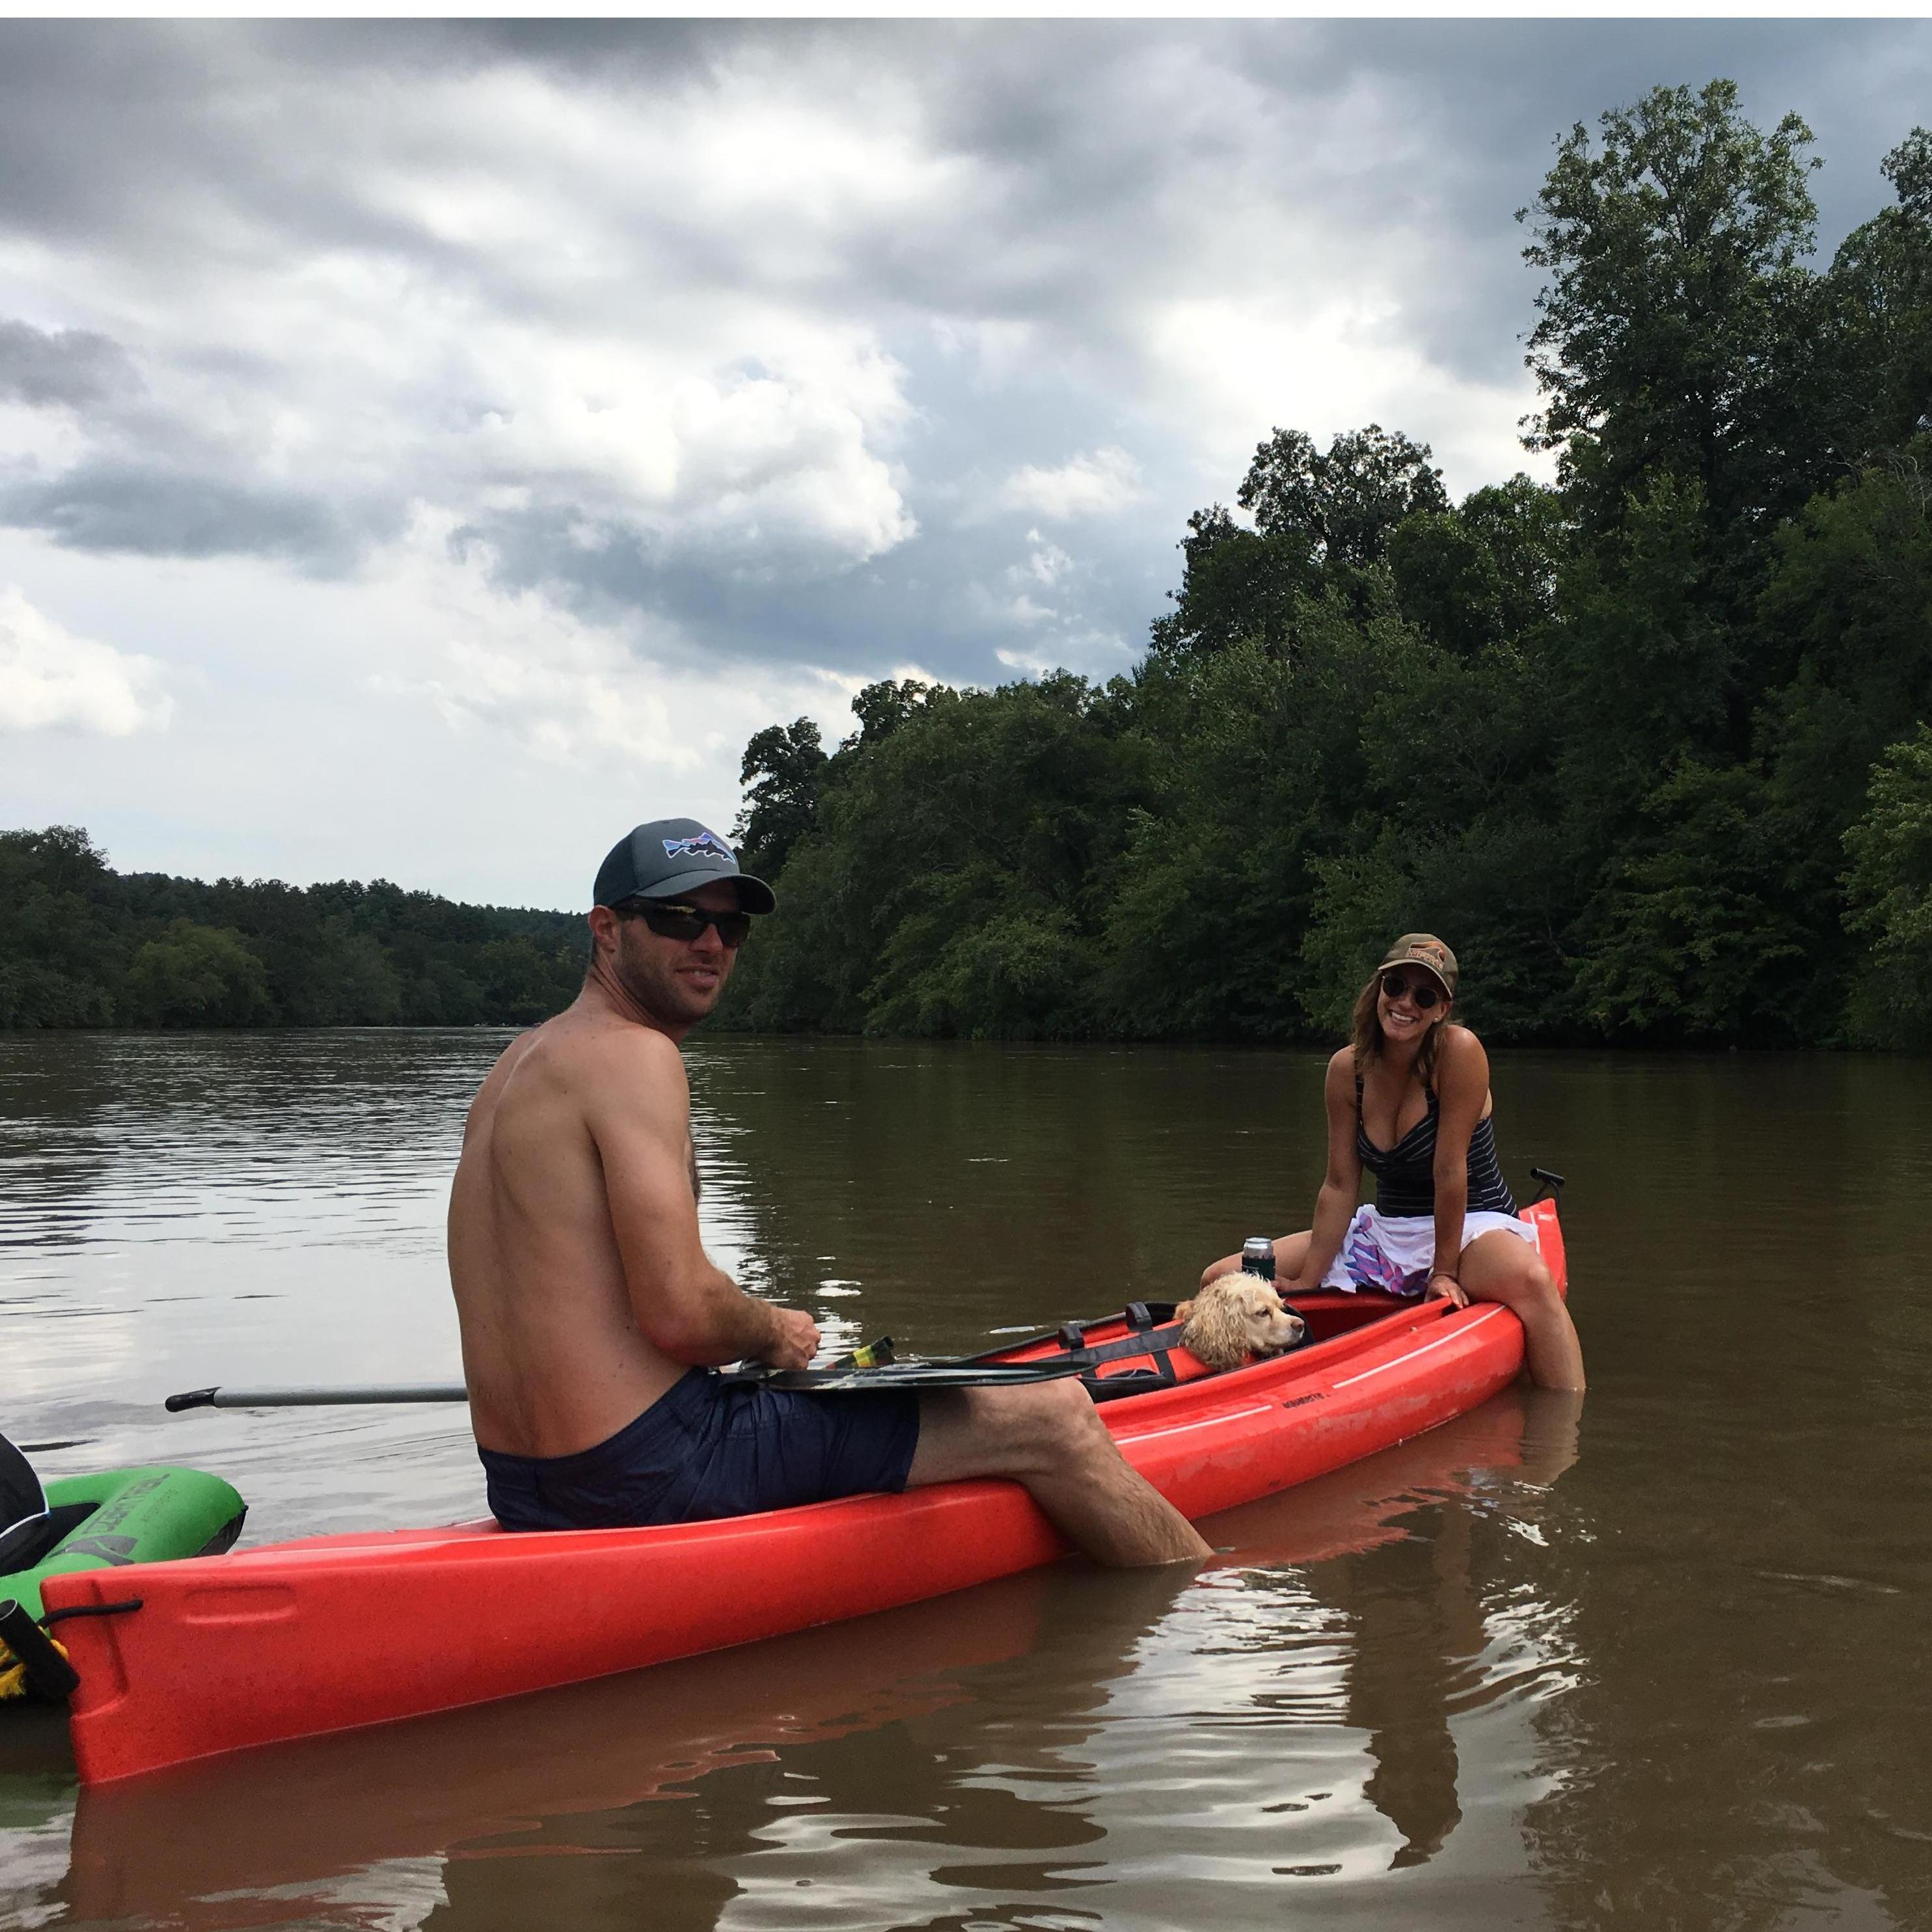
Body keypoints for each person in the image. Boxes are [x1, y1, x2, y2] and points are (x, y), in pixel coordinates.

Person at [448, 817, 1208, 1566]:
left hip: (524, 1485)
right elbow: (680, 1312)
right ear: (607, 929)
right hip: (651, 1470)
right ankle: (1214, 1612)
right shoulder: (635, 1056)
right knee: (1056, 1414)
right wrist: (774, 1330)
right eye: (679, 918)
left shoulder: (514, 1069)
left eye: (730, 924)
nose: (710, 943)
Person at [1200, 934, 1585, 1391]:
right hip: (1387, 1227)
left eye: (1424, 995)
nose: (1405, 1003)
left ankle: (1562, 1435)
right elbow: (1341, 1186)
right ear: (1378, 988)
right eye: (1396, 986)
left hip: (1470, 1225)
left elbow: (1448, 1171)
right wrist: (1307, 1280)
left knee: (1534, 1281)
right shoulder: (1347, 1070)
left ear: (1441, 1008)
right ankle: (1245, 1380)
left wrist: (1443, 1272)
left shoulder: (1458, 1052)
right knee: (1218, 1277)